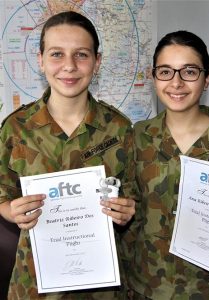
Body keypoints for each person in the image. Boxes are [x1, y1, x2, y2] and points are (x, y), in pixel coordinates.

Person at [0, 11, 136, 299]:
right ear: (40, 60)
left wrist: (126, 210)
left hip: (100, 286)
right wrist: (9, 210)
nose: (69, 66)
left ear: (97, 62)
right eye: (57, 54)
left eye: (82, 55)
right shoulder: (16, 127)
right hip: (34, 282)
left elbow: (134, 194)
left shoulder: (119, 128)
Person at [122, 30, 209, 299]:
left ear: (206, 80)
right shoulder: (139, 136)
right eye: (166, 71)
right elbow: (130, 212)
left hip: (208, 288)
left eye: (189, 71)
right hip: (147, 285)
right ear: (154, 78)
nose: (176, 83)